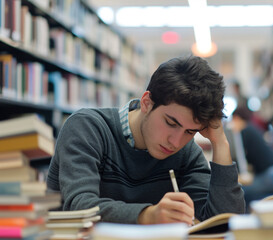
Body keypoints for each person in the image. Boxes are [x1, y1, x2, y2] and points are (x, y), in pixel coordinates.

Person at [46, 55, 245, 225]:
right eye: (171, 123)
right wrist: (148, 215)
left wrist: (220, 142)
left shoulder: (186, 153)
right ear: (146, 102)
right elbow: (79, 206)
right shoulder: (87, 128)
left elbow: (223, 222)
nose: (175, 142)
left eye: (190, 131)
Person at [230, 105, 273, 212]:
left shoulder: (245, 131)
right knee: (253, 192)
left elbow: (241, 158)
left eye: (232, 120)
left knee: (240, 191)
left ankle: (246, 221)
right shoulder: (252, 129)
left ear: (237, 119)